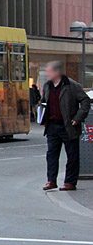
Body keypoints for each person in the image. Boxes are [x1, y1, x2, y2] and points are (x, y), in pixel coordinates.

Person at [39, 61, 90, 191]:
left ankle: (70, 182)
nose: (47, 74)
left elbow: (85, 101)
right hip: (52, 126)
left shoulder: (71, 85)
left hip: (68, 126)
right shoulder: (47, 86)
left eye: (49, 71)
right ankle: (51, 180)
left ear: (57, 72)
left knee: (72, 155)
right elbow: (44, 101)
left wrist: (77, 118)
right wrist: (42, 114)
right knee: (51, 155)